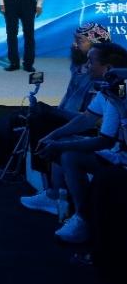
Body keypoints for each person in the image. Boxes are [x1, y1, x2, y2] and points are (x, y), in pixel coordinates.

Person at [32, 42, 127, 243]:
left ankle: (83, 219)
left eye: (91, 61)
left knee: (69, 155)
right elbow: (86, 118)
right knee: (63, 143)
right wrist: (54, 136)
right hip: (118, 150)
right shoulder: (109, 90)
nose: (87, 66)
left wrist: (59, 144)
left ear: (108, 68)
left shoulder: (119, 92)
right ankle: (57, 197)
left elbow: (104, 141)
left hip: (121, 156)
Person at [16, 23, 110, 209]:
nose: (74, 45)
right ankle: (52, 190)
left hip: (100, 136)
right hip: (81, 124)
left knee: (49, 131)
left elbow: (94, 121)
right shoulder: (81, 67)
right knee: (38, 120)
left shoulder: (108, 83)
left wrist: (55, 117)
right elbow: (81, 111)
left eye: (80, 41)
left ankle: (56, 195)